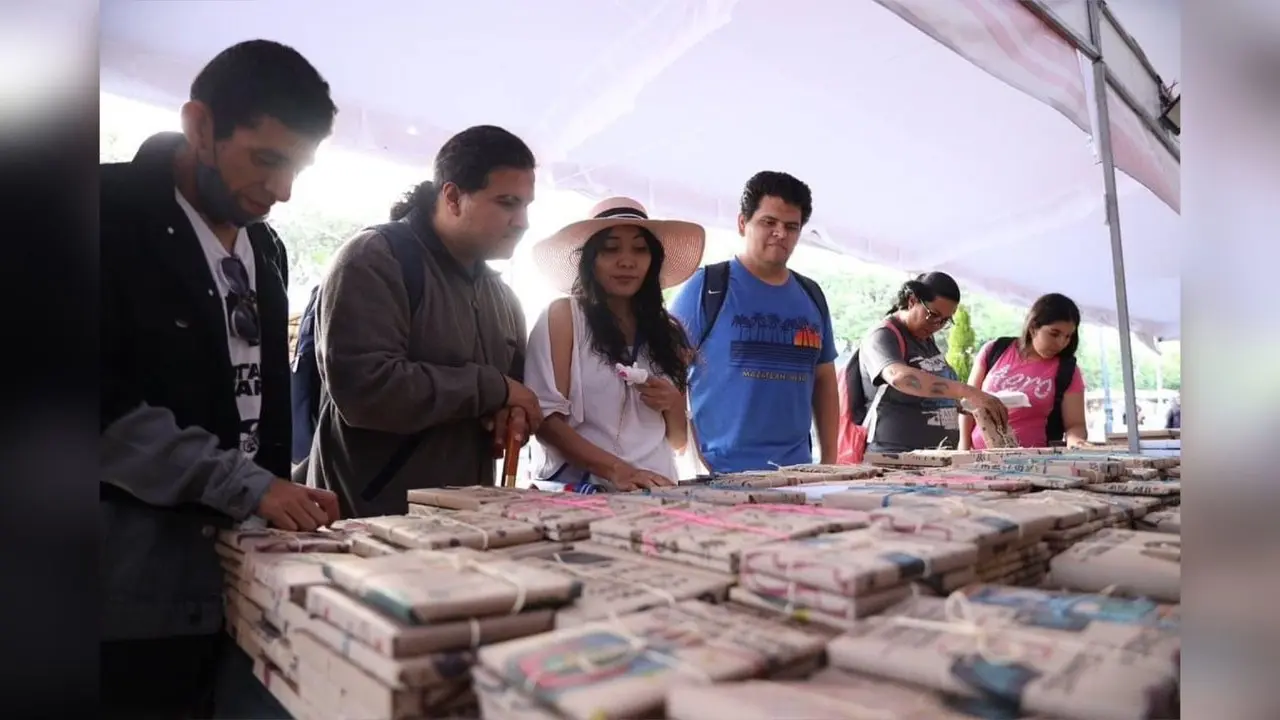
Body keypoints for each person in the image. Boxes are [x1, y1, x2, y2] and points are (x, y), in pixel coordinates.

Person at [100, 40, 340, 718]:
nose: (283, 190)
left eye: (297, 166)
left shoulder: (265, 247)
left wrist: (274, 489)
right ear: (200, 126)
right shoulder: (102, 214)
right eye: (266, 159)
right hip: (125, 593)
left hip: (239, 579)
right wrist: (250, 485)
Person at [307, 125, 540, 518]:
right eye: (507, 203)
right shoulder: (374, 258)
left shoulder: (505, 298)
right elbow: (366, 392)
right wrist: (492, 388)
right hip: (366, 530)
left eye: (526, 205)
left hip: (466, 530)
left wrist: (511, 413)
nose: (523, 221)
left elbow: (511, 395)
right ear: (452, 197)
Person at [525, 197, 705, 491]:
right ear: (590, 258)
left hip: (657, 490)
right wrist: (617, 470)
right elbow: (545, 420)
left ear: (653, 260)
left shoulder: (668, 330)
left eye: (640, 249)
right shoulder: (564, 317)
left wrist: (673, 402)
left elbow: (677, 440)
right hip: (582, 493)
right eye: (610, 249)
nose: (627, 261)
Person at [670, 171, 839, 473]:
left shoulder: (811, 295)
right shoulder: (706, 286)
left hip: (799, 475)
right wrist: (687, 452)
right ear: (741, 223)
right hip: (718, 475)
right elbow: (667, 371)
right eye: (768, 222)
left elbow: (825, 380)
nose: (780, 233)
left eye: (791, 226)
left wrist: (829, 462)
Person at [856, 272, 1008, 453]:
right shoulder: (883, 335)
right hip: (894, 456)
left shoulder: (926, 339)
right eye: (932, 314)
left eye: (945, 320)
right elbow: (899, 377)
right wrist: (966, 391)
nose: (937, 324)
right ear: (912, 300)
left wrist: (969, 403)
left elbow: (933, 392)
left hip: (937, 457)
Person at [959, 293, 1088, 450]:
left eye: (1068, 336)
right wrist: (963, 447)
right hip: (979, 458)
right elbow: (968, 403)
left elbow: (1075, 424)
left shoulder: (1067, 370)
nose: (1061, 343)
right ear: (1033, 328)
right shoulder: (994, 350)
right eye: (1054, 334)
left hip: (1036, 463)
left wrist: (1075, 441)